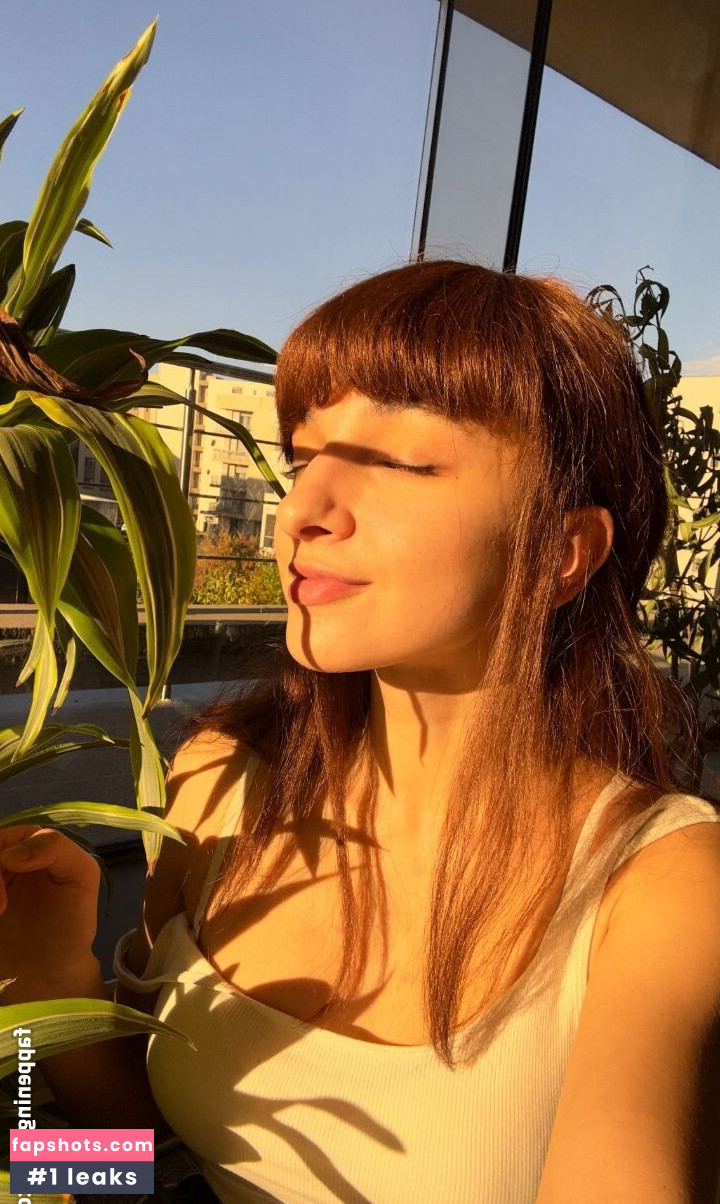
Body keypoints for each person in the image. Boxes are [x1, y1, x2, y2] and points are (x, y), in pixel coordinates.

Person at [1, 259, 719, 1204]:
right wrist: (45, 989)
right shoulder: (224, 784)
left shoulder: (661, 889)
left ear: (560, 550)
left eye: (399, 462)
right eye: (303, 459)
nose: (300, 511)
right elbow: (141, 1149)